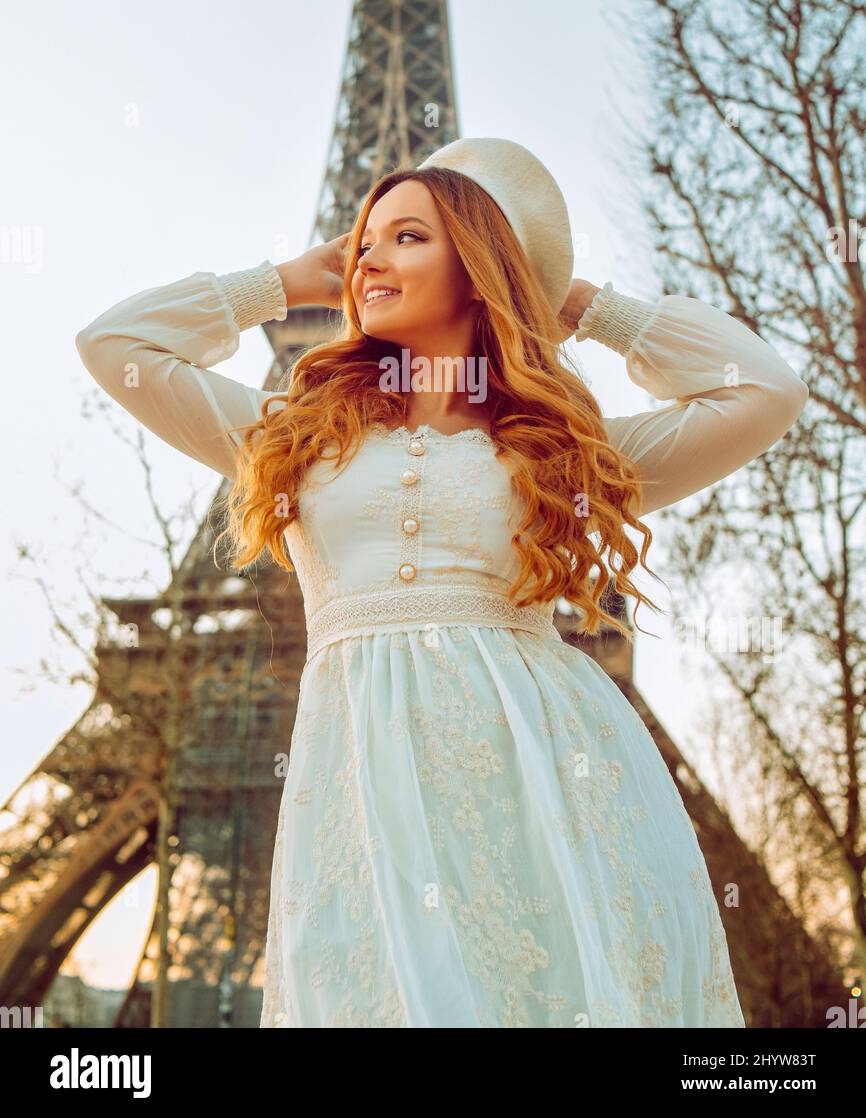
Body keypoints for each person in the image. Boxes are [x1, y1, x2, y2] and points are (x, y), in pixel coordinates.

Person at [75, 137, 808, 1028]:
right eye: (363, 241)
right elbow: (113, 343)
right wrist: (282, 282)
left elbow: (763, 391)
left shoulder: (563, 453)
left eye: (409, 236)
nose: (369, 256)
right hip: (360, 785)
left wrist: (576, 302)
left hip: (547, 774)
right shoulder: (296, 443)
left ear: (479, 265)